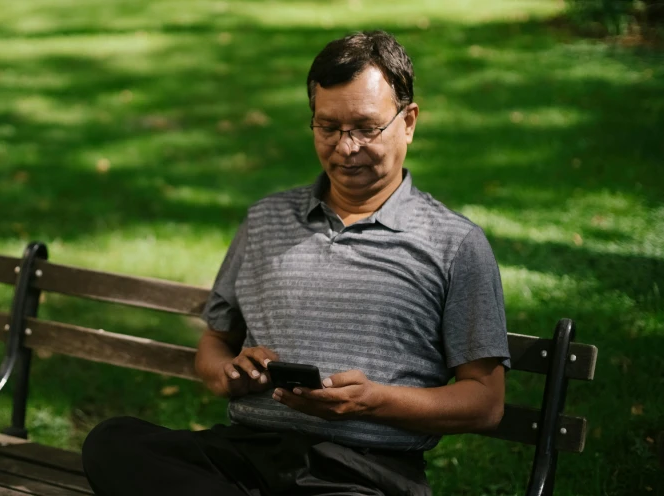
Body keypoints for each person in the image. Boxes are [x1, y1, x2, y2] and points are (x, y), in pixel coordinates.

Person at [82, 30, 510, 496]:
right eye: (328, 127)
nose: (346, 148)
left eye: (366, 128)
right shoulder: (266, 219)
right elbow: (214, 343)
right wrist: (230, 375)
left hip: (363, 473)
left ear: (408, 122)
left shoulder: (454, 243)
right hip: (245, 454)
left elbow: (484, 402)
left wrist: (373, 402)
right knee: (113, 441)